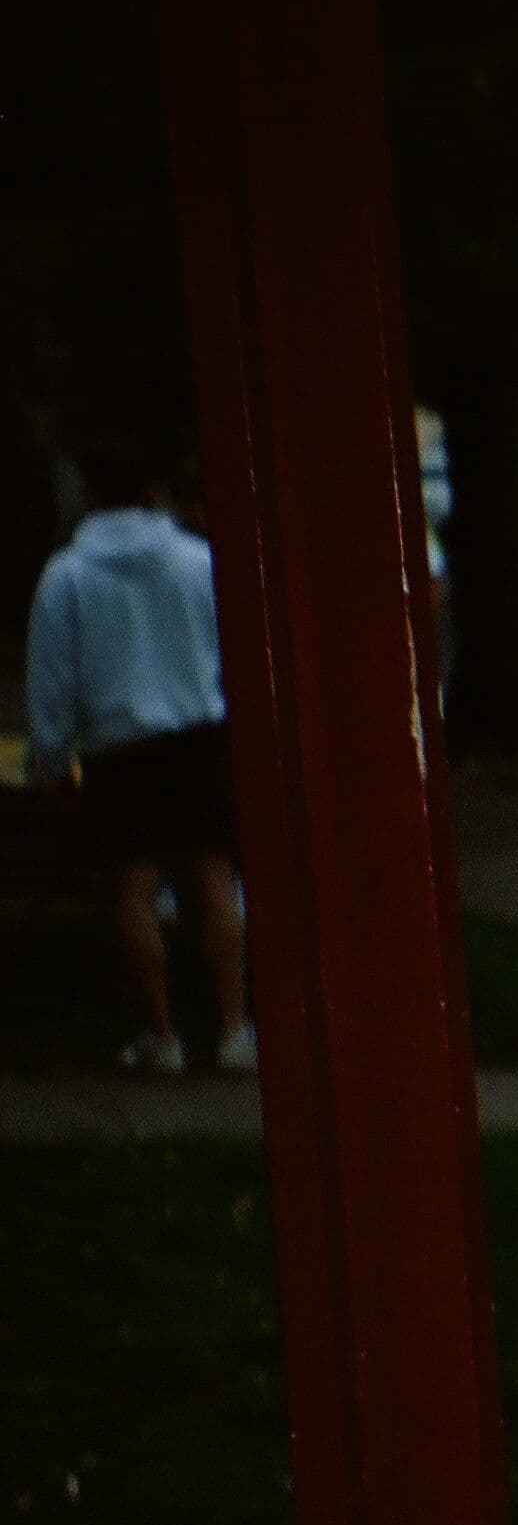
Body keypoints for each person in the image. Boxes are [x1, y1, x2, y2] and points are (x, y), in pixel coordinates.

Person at [22, 436, 252, 1075]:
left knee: (134, 887)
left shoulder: (67, 576)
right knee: (213, 881)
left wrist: (49, 759)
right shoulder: (197, 560)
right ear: (149, 492)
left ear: (89, 496)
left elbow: (52, 677)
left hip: (119, 748)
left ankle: (162, 1033)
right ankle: (234, 1028)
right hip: (200, 735)